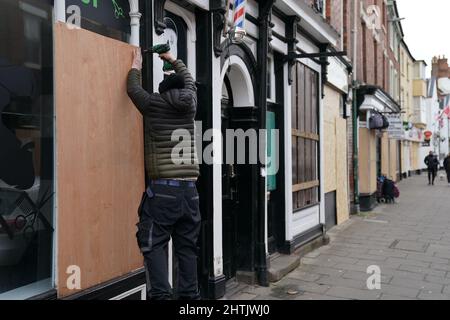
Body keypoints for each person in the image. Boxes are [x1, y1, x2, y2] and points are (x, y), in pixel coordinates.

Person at [127, 48, 200, 300]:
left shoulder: (155, 104)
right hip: (190, 193)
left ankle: (161, 296)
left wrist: (135, 65)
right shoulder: (191, 103)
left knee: (154, 244)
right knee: (187, 248)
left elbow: (133, 90)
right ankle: (190, 300)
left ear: (163, 90)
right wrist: (174, 60)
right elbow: (189, 79)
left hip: (163, 192)